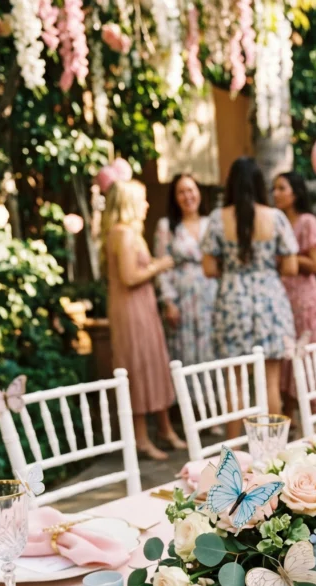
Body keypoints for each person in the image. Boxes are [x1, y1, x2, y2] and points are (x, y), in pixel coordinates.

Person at [202, 157, 298, 416]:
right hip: (269, 298)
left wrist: (233, 269)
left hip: (232, 300)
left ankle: (235, 451)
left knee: (235, 384)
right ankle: (274, 453)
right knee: (270, 383)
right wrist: (266, 268)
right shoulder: (275, 218)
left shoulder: (216, 219)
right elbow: (291, 268)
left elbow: (209, 269)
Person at [102, 179, 186, 460]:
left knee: (154, 364)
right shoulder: (122, 233)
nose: (147, 205)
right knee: (137, 368)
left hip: (142, 307)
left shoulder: (128, 232)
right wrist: (158, 265)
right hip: (131, 310)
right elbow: (129, 277)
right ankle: (141, 439)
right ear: (128, 203)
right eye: (142, 199)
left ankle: (164, 430)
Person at [272, 171, 316, 414]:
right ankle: (289, 413)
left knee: (305, 350)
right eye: (274, 188)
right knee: (285, 351)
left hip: (303, 296)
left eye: (282, 188)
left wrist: (288, 254)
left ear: (295, 192)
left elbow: (315, 264)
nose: (276, 193)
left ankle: (312, 412)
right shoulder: (276, 222)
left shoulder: (307, 222)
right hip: (282, 296)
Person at [154, 173, 217, 366]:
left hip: (211, 295)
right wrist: (169, 302)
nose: (187, 196)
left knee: (213, 348)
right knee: (185, 353)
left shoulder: (212, 223)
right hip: (182, 299)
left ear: (198, 192)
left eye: (190, 190)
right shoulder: (167, 227)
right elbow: (162, 267)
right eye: (181, 192)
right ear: (174, 197)